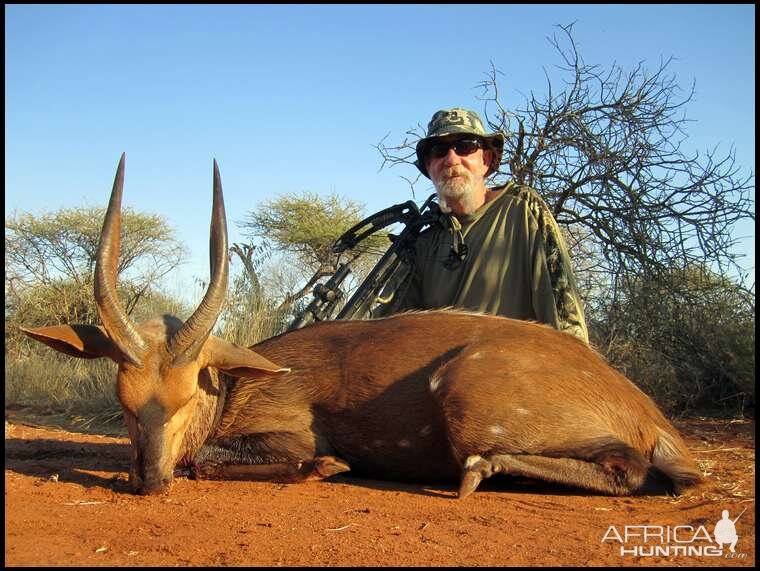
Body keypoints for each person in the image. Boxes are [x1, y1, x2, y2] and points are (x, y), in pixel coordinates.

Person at [375, 107, 589, 344]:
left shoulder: (524, 211)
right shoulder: (422, 244)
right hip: (440, 380)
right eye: (439, 150)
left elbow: (567, 325)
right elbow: (391, 338)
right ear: (429, 166)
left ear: (486, 160)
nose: (451, 159)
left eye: (465, 146)